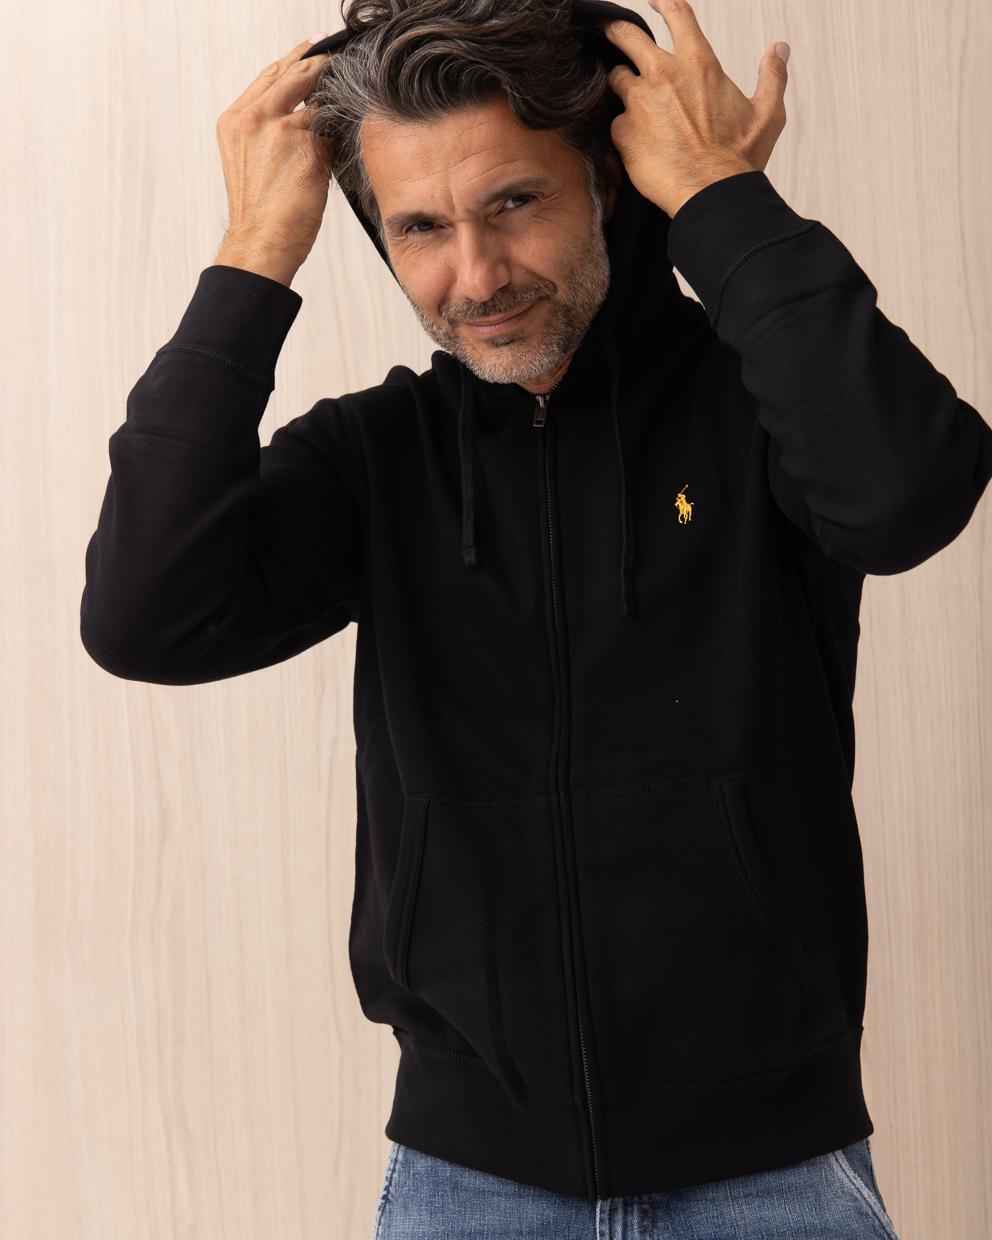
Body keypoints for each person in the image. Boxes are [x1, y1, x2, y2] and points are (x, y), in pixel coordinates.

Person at [80, 0, 990, 1234]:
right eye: (419, 227)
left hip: (770, 1173)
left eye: (513, 202)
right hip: (468, 1182)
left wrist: (719, 199)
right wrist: (252, 254)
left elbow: (903, 495)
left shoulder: (760, 413)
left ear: (610, 182)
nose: (475, 277)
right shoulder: (376, 459)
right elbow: (144, 618)